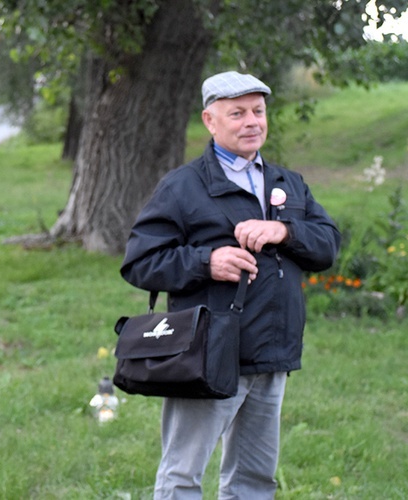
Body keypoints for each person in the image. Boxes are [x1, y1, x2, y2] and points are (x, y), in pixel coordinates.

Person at [120, 71, 341, 499]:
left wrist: (286, 233)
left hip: (272, 352)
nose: (251, 121)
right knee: (183, 474)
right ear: (210, 120)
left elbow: (328, 244)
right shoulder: (182, 186)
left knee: (254, 479)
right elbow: (141, 261)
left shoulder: (287, 183)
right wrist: (207, 260)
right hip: (208, 352)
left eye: (258, 111)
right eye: (237, 113)